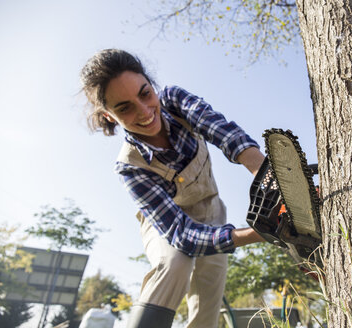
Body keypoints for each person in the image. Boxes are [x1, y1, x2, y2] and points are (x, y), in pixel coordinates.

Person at [80, 49, 265, 328]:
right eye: (124, 108)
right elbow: (180, 234)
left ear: (152, 86)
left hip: (211, 210)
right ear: (109, 116)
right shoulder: (130, 166)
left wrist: (270, 177)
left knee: (207, 304)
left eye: (145, 94)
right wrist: (258, 233)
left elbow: (219, 129)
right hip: (164, 222)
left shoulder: (175, 101)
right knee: (175, 261)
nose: (144, 112)